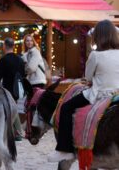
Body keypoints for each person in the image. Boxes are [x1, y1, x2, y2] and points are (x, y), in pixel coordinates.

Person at [48, 20, 119, 162]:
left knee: (66, 107)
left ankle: (64, 149)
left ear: (98, 37)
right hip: (117, 94)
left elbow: (87, 77)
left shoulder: (95, 55)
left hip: (99, 94)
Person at [0, 38, 25, 139]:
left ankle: (15, 133)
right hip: (17, 89)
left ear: (4, 46)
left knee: (9, 110)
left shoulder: (3, 60)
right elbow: (23, 75)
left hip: (7, 89)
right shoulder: (20, 60)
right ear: (13, 46)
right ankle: (16, 133)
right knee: (13, 109)